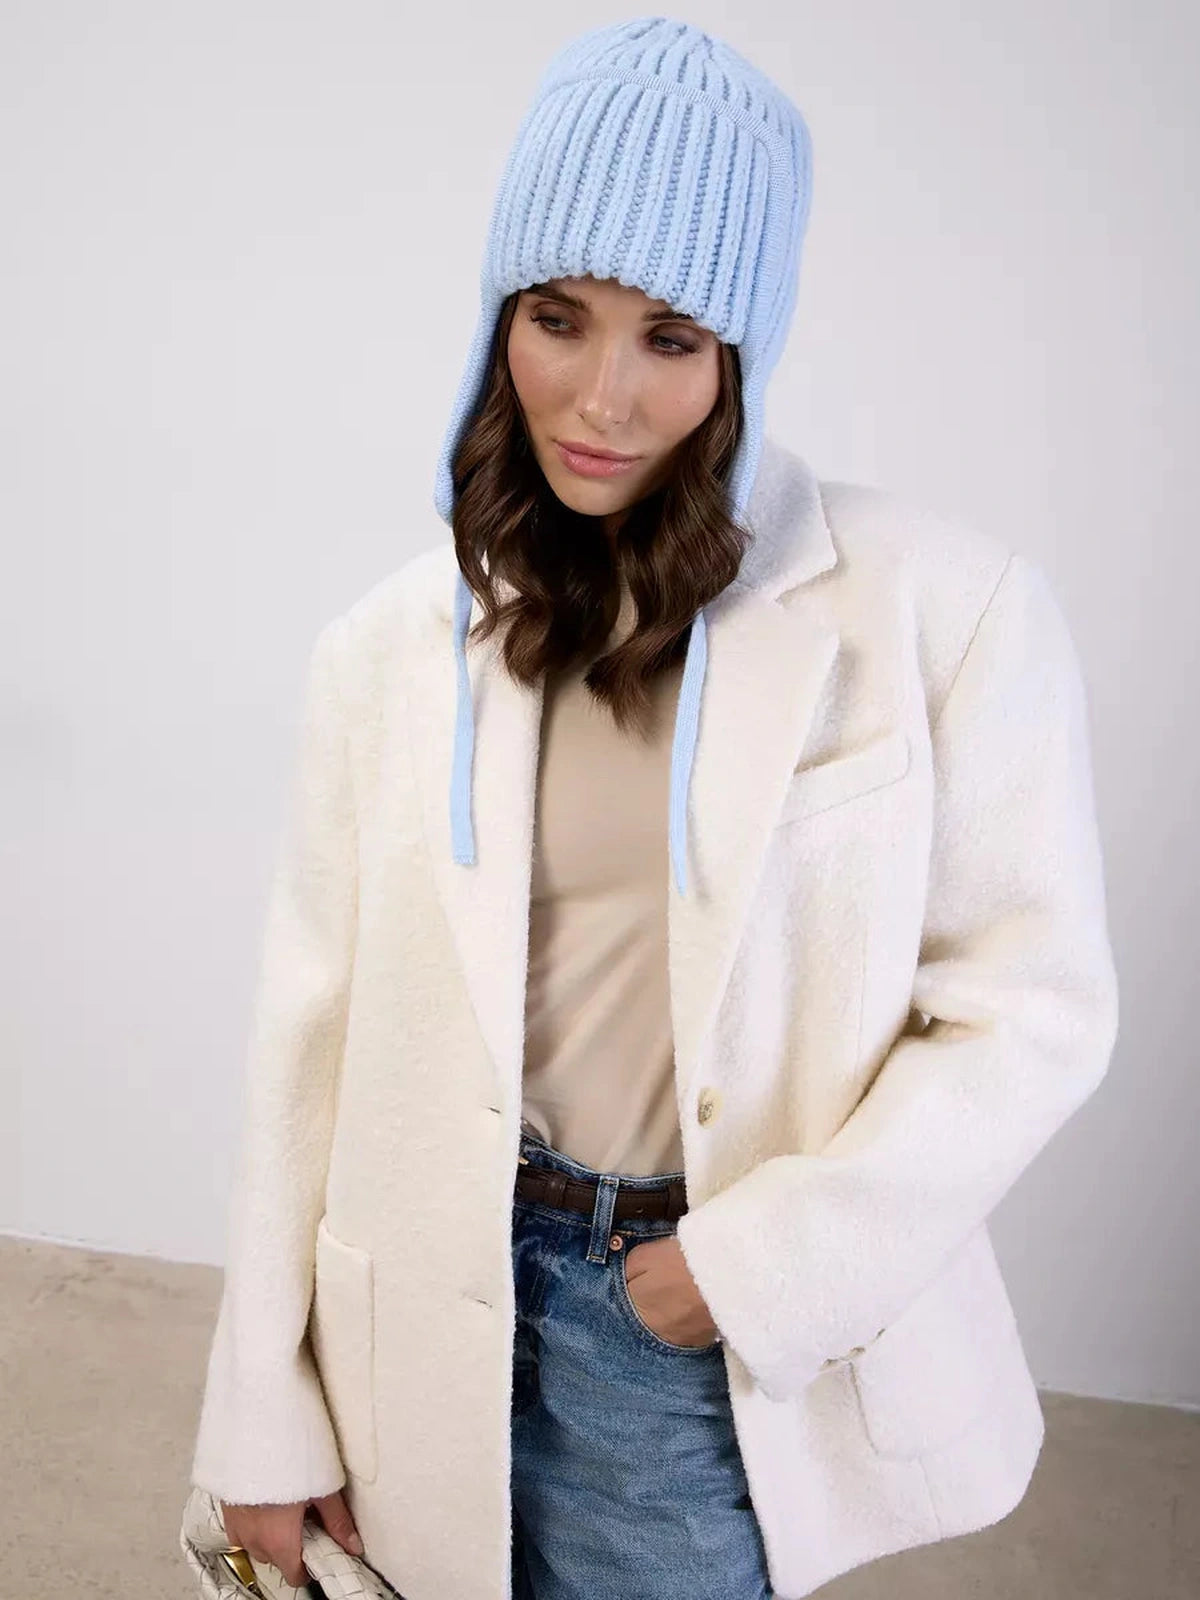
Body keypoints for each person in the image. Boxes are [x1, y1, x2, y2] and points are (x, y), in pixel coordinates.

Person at [185, 18, 1119, 1600]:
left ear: (740, 353)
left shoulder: (942, 613)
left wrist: (742, 1274)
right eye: (558, 319)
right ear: (501, 313)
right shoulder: (388, 650)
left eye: (669, 339)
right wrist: (260, 1412)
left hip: (679, 1340)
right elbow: (307, 1045)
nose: (601, 398)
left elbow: (1031, 1013)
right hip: (416, 1309)